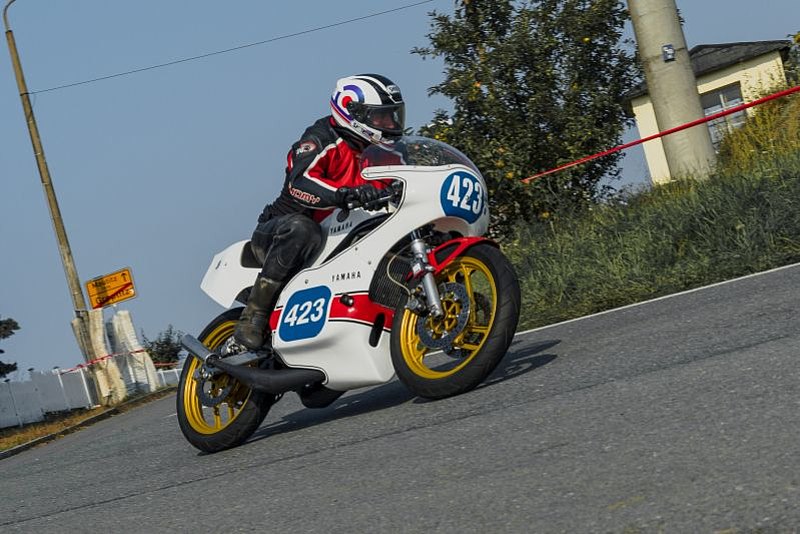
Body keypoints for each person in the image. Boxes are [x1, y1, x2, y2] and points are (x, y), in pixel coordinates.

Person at [233, 74, 406, 350]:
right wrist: (344, 194)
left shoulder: (386, 153)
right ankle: (252, 316)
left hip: (339, 238)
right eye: (381, 117)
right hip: (279, 233)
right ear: (353, 112)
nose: (390, 124)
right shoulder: (321, 138)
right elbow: (299, 183)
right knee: (303, 229)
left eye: (392, 116)